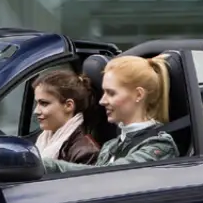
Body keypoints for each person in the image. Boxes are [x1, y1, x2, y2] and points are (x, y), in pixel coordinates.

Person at [42, 54, 180, 174]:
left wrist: (48, 165)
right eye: (104, 93)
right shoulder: (110, 146)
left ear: (138, 95)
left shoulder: (159, 146)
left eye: (111, 93)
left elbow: (107, 175)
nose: (102, 101)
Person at [30, 69, 100, 165]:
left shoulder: (85, 152)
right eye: (37, 103)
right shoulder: (45, 139)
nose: (36, 111)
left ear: (68, 106)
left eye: (44, 103)